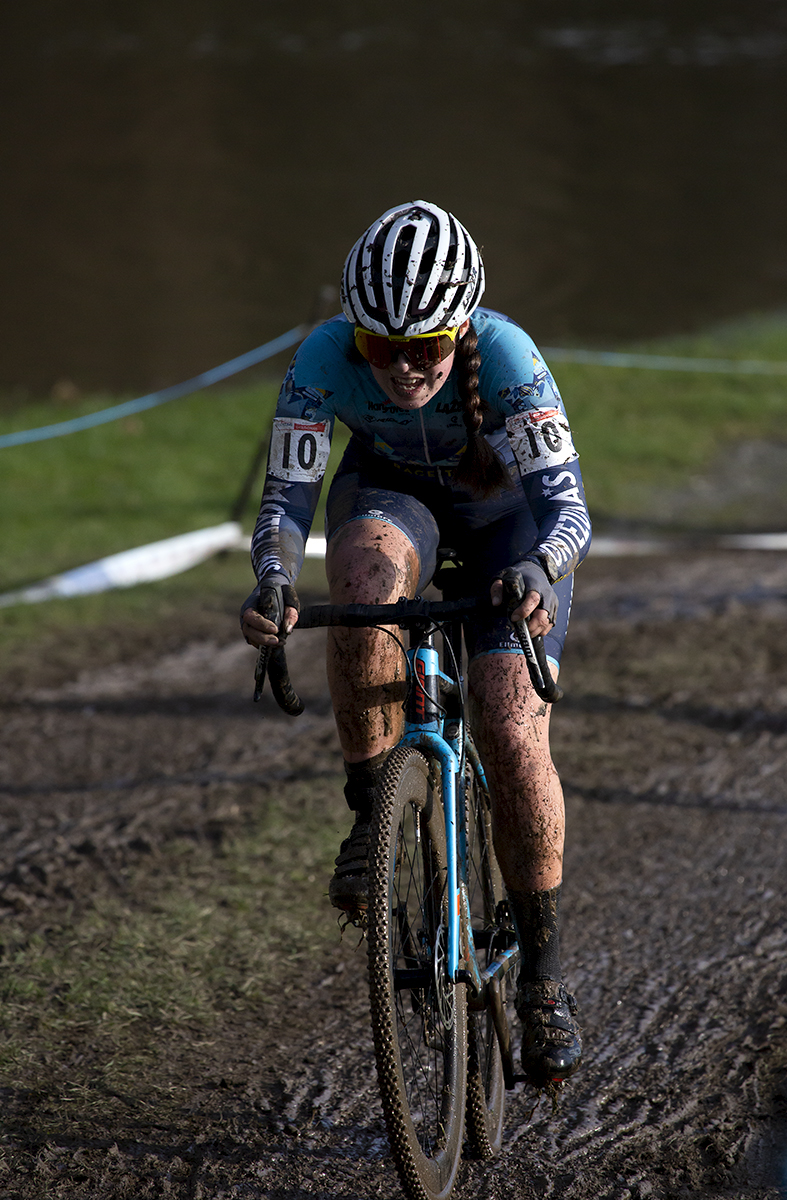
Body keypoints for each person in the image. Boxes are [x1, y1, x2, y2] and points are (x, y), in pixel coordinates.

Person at [241, 200, 591, 1089]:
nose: (401, 367)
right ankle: (372, 808)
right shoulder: (323, 355)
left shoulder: (509, 359)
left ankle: (545, 979)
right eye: (378, 347)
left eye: (426, 347)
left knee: (513, 731)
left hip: (510, 527)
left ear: (461, 328)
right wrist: (274, 583)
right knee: (359, 583)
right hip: (395, 500)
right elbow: (286, 501)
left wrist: (542, 576)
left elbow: (568, 512)